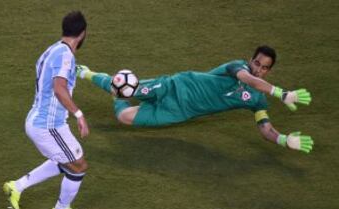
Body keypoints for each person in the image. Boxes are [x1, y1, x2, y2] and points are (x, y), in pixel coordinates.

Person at [77, 46, 314, 153]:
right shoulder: (237, 67)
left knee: (123, 117)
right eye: (257, 63)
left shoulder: (257, 101)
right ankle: (85, 72)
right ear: (250, 60)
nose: (259, 69)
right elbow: (249, 80)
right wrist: (282, 93)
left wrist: (284, 140)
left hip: (179, 112)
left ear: (269, 72)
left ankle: (115, 94)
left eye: (264, 68)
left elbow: (265, 128)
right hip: (174, 87)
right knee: (127, 88)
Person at [3, 11, 90, 209]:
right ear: (82, 34)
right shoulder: (65, 54)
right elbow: (59, 89)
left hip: (44, 121)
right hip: (48, 126)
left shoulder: (51, 50)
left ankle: (17, 186)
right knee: (78, 166)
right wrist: (79, 114)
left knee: (65, 160)